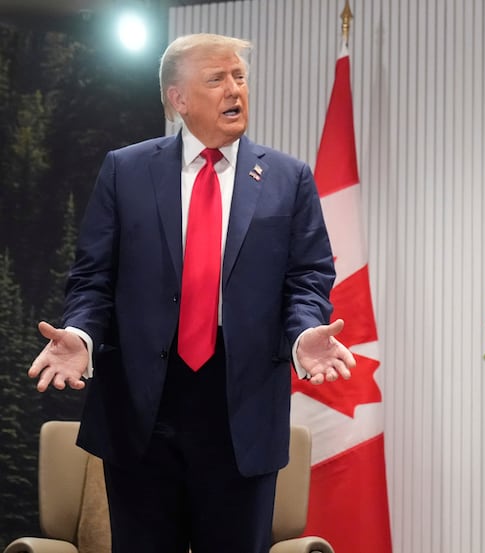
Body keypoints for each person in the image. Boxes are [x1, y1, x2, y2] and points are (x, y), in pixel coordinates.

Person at [27, 33, 356, 553]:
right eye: (217, 79)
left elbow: (308, 279)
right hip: (142, 409)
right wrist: (81, 335)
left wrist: (304, 335)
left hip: (241, 406)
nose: (235, 89)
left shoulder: (287, 179)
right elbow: (94, 278)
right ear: (178, 99)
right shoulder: (125, 170)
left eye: (240, 77)